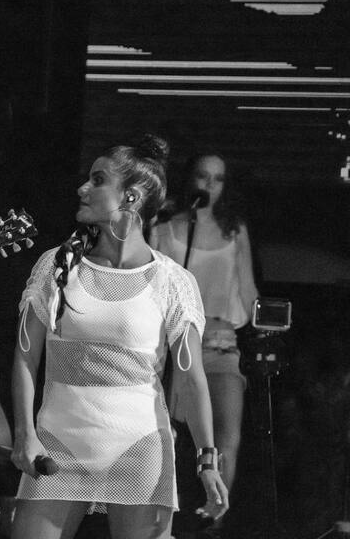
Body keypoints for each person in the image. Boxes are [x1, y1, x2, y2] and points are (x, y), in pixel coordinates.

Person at [10, 134, 228, 539]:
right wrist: (24, 435)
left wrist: (207, 461)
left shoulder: (173, 281)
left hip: (139, 451)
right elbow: (25, 357)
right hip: (58, 447)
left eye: (97, 180)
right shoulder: (56, 267)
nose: (83, 188)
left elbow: (191, 379)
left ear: (131, 196)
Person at [151, 148, 259, 537]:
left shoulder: (234, 231)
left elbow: (248, 293)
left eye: (218, 178)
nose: (210, 185)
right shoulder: (165, 228)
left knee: (227, 436)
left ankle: (213, 518)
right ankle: (162, 516)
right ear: (190, 179)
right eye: (203, 176)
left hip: (220, 347)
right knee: (170, 436)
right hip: (175, 349)